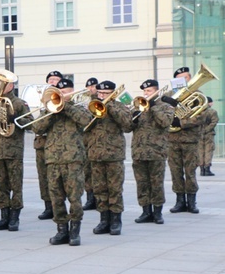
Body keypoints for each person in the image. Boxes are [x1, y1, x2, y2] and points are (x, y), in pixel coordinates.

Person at [31, 78, 92, 246]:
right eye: (60, 92)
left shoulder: (79, 107)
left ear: (72, 91)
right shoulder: (49, 109)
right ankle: (61, 230)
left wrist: (66, 106)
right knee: (56, 198)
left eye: (65, 91)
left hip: (73, 159)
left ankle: (75, 231)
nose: (62, 94)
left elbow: (87, 121)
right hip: (52, 159)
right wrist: (52, 110)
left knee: (75, 197)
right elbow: (37, 128)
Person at [84, 81, 134, 236]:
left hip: (114, 155)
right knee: (99, 189)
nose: (102, 96)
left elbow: (127, 126)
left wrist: (110, 106)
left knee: (115, 189)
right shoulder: (92, 106)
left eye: (106, 94)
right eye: (100, 93)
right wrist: (93, 110)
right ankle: (104, 220)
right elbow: (84, 126)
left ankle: (116, 221)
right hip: (95, 154)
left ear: (113, 94)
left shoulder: (119, 106)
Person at [0, 75, 32, 232]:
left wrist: (16, 119)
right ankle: (4, 215)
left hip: (13, 150)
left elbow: (31, 124)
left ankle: (15, 217)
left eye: (3, 84)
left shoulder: (19, 103)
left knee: (16, 185)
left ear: (11, 85)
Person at [132, 79, 175, 225]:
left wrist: (154, 107)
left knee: (156, 183)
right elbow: (126, 128)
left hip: (156, 152)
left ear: (156, 91)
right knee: (142, 183)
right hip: (139, 151)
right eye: (144, 91)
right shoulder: (138, 106)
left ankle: (157, 212)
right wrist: (132, 118)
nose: (145, 94)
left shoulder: (165, 106)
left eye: (149, 91)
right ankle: (145, 212)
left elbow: (165, 122)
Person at [166, 67, 205, 214]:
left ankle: (192, 201)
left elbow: (202, 117)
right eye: (180, 78)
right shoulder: (169, 95)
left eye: (186, 78)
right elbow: (162, 115)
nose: (184, 81)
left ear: (190, 78)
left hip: (190, 140)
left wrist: (181, 123)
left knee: (190, 172)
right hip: (172, 139)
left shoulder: (197, 95)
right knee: (175, 171)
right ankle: (179, 201)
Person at [36, 70, 63, 220]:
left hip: (60, 145)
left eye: (56, 80)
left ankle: (59, 206)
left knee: (58, 178)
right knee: (43, 177)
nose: (53, 82)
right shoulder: (41, 97)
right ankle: (48, 206)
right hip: (42, 143)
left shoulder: (66, 99)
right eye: (51, 80)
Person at [82, 77, 99, 211]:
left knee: (97, 172)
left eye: (94, 86)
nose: (91, 89)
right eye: (89, 87)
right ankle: (90, 198)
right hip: (85, 140)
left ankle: (99, 199)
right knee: (87, 172)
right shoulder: (83, 100)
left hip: (97, 142)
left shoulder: (100, 101)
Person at [199, 97, 218, 176]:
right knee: (208, 151)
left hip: (199, 134)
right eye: (211, 102)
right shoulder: (212, 111)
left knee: (200, 151)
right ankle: (207, 169)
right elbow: (214, 122)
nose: (212, 103)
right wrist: (207, 129)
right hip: (209, 134)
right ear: (209, 103)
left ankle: (201, 169)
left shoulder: (198, 111)